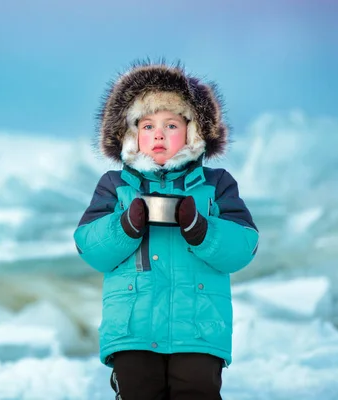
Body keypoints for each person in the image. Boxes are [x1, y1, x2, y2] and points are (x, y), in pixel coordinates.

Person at [73, 61, 259, 400]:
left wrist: (201, 229)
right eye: (148, 125)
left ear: (193, 131)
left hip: (199, 330)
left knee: (198, 393)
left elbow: (244, 246)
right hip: (134, 330)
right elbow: (89, 246)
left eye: (171, 124)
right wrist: (125, 226)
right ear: (130, 134)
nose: (159, 134)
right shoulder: (115, 186)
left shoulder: (216, 185)